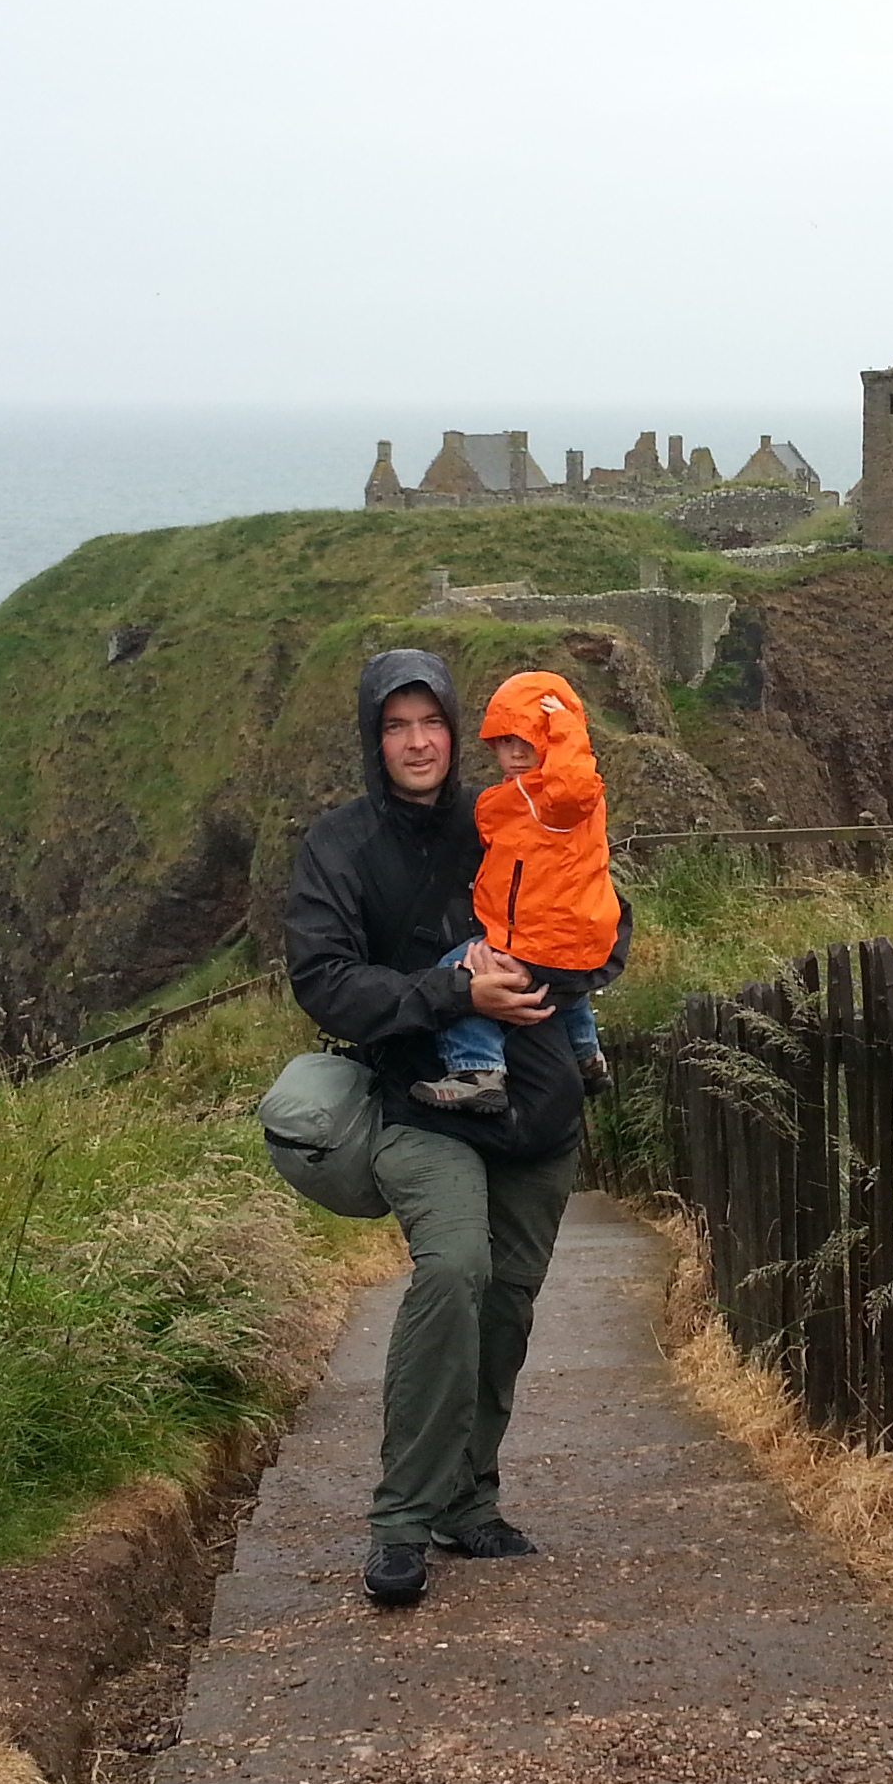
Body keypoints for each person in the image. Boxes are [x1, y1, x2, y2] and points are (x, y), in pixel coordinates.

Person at [283, 648, 628, 1607]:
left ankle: (467, 1502)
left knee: (509, 1298)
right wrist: (453, 992)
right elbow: (322, 979)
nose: (417, 741)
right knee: (454, 1272)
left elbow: (604, 908)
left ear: (453, 726)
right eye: (396, 725)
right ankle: (401, 1520)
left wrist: (563, 973)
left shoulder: (512, 806)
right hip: (422, 1102)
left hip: (539, 1103)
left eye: (429, 720)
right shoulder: (342, 847)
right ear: (373, 737)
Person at [413, 668, 618, 1115]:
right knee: (562, 985)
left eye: (531, 738)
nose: (517, 752)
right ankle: (588, 1055)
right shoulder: (526, 799)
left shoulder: (561, 800)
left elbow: (573, 786)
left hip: (541, 935)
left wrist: (565, 730)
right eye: (506, 741)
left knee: (462, 972)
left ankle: (477, 1069)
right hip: (566, 934)